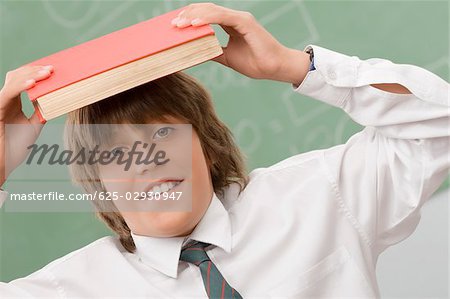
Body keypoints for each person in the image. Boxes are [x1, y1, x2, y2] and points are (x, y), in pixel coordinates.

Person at [0, 3, 448, 298]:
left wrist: (294, 66)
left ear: (208, 148)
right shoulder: (70, 288)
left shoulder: (320, 196)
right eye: (116, 153)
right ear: (101, 186)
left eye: (162, 135)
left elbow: (439, 126)